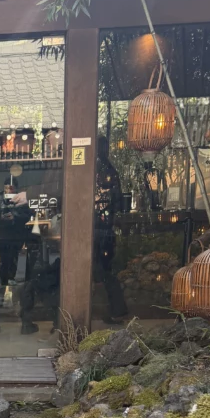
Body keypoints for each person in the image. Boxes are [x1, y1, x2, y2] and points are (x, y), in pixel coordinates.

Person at [0, 188, 37, 334]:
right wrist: (6, 219)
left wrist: (12, 217)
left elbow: (28, 215)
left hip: (17, 245)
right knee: (6, 281)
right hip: (9, 245)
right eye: (6, 187)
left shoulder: (19, 200)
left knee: (23, 281)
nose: (8, 190)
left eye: (11, 188)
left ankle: (25, 322)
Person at [94, 136, 128, 323]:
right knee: (105, 272)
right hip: (106, 229)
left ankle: (116, 311)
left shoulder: (100, 170)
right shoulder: (110, 170)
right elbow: (117, 202)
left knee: (101, 272)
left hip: (99, 230)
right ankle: (117, 311)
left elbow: (108, 202)